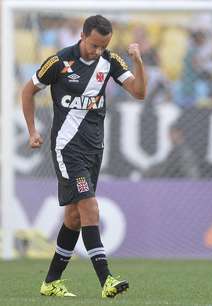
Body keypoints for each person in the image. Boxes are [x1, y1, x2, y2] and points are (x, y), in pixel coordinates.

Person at [21, 15, 146, 297]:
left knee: (75, 217)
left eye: (103, 46)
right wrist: (32, 131)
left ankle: (51, 281)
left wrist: (138, 60)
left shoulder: (111, 61)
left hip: (94, 149)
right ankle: (107, 280)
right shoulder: (60, 61)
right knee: (89, 207)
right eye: (93, 45)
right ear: (82, 35)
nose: (97, 51)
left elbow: (139, 92)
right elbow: (27, 91)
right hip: (67, 148)